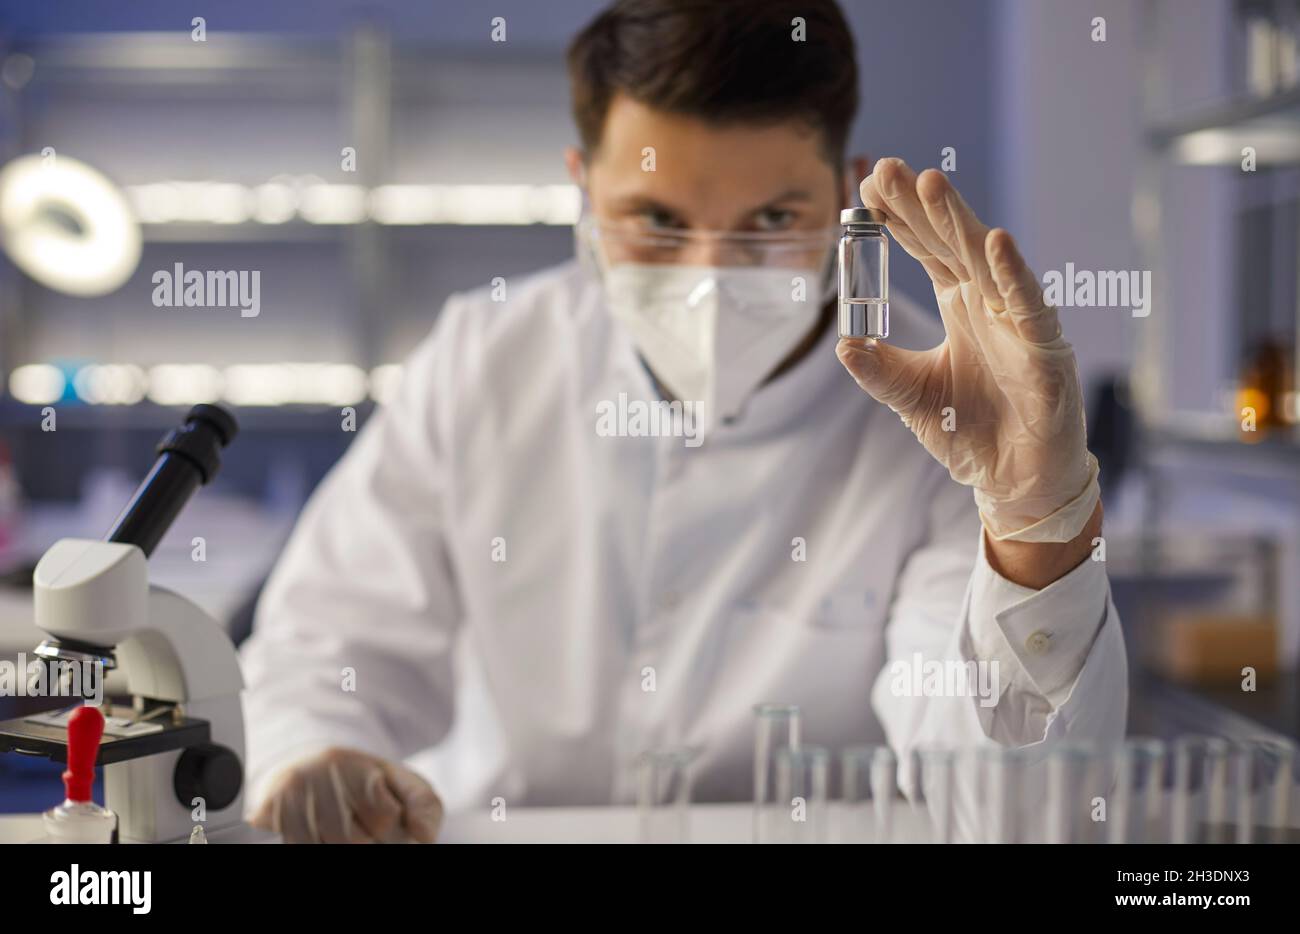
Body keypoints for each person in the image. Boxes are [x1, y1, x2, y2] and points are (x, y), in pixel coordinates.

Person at [240, 0, 1126, 843]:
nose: (711, 277)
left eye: (772, 220)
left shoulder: (954, 415)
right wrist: (315, 753)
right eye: (656, 220)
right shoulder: (484, 357)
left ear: (850, 195)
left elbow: (1016, 820)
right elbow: (327, 642)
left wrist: (1030, 523)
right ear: (583, 191)